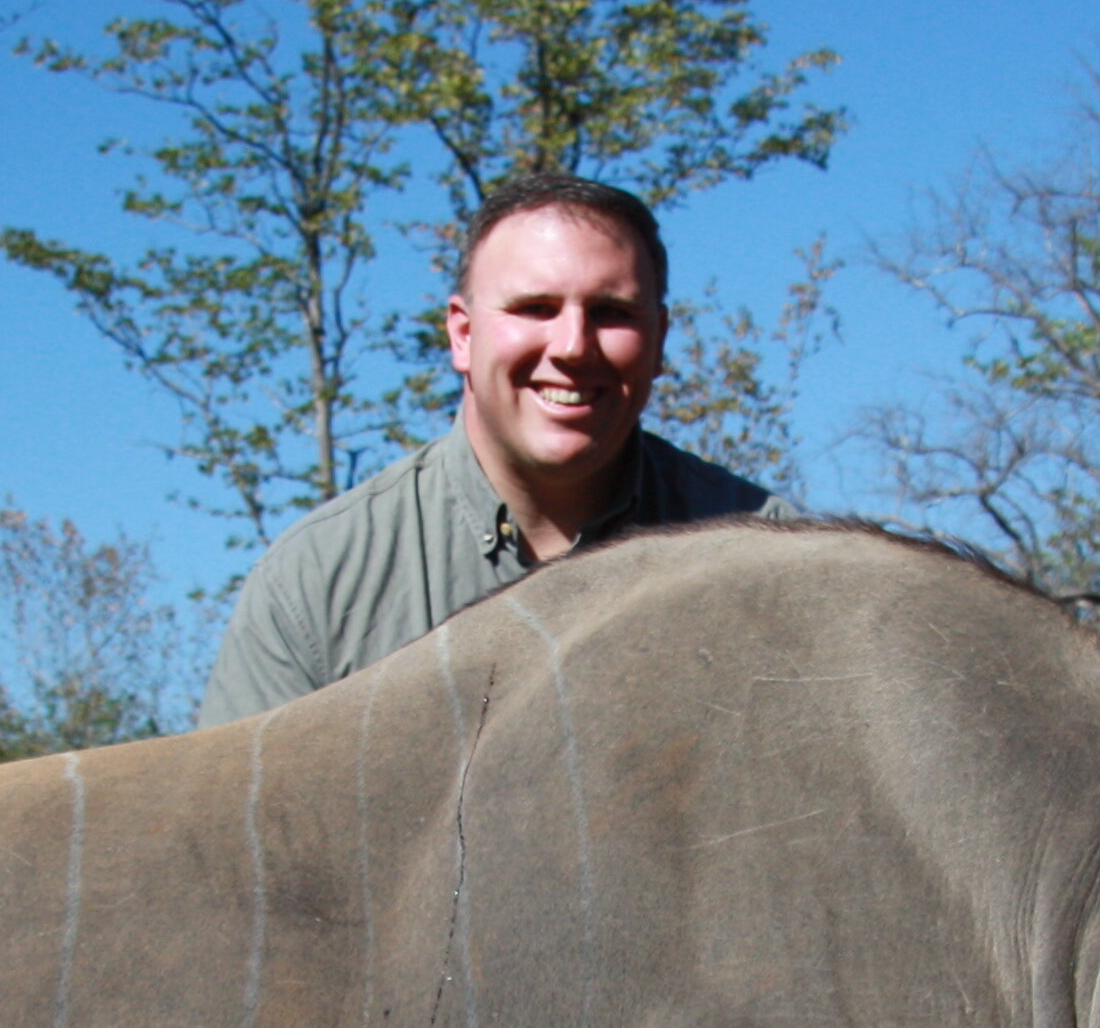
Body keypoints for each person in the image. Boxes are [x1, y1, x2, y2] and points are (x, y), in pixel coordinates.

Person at [192, 170, 779, 726]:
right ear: (463, 334)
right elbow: (229, 826)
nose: (573, 346)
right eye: (535, 309)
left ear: (659, 341)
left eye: (611, 313)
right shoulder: (316, 583)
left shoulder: (769, 559)